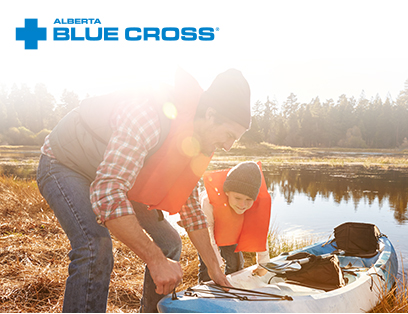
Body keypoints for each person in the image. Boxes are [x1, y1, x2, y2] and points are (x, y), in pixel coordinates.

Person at [36, 68, 251, 312]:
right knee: (95, 247)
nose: (228, 146)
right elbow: (107, 193)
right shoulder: (148, 117)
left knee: (169, 242)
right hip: (66, 163)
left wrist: (214, 267)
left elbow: (190, 208)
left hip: (112, 174)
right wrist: (155, 260)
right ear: (211, 115)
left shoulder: (197, 142)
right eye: (230, 135)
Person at [198, 161, 272, 282]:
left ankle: (230, 289)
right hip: (209, 230)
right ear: (227, 192)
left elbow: (259, 230)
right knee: (208, 267)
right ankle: (203, 292)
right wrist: (215, 265)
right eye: (237, 198)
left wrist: (263, 263)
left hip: (230, 230)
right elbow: (208, 232)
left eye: (248, 199)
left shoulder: (253, 204)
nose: (242, 204)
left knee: (236, 264)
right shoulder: (208, 202)